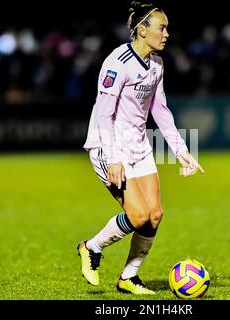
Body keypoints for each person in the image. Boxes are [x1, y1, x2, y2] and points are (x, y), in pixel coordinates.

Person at [78, 1, 205, 295]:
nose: (167, 34)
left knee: (155, 214)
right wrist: (113, 159)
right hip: (108, 147)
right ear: (142, 30)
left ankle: (128, 277)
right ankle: (90, 247)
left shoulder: (157, 64)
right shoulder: (116, 63)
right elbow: (104, 116)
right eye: (162, 27)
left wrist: (181, 151)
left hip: (138, 146)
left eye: (168, 28)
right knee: (137, 216)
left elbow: (160, 110)